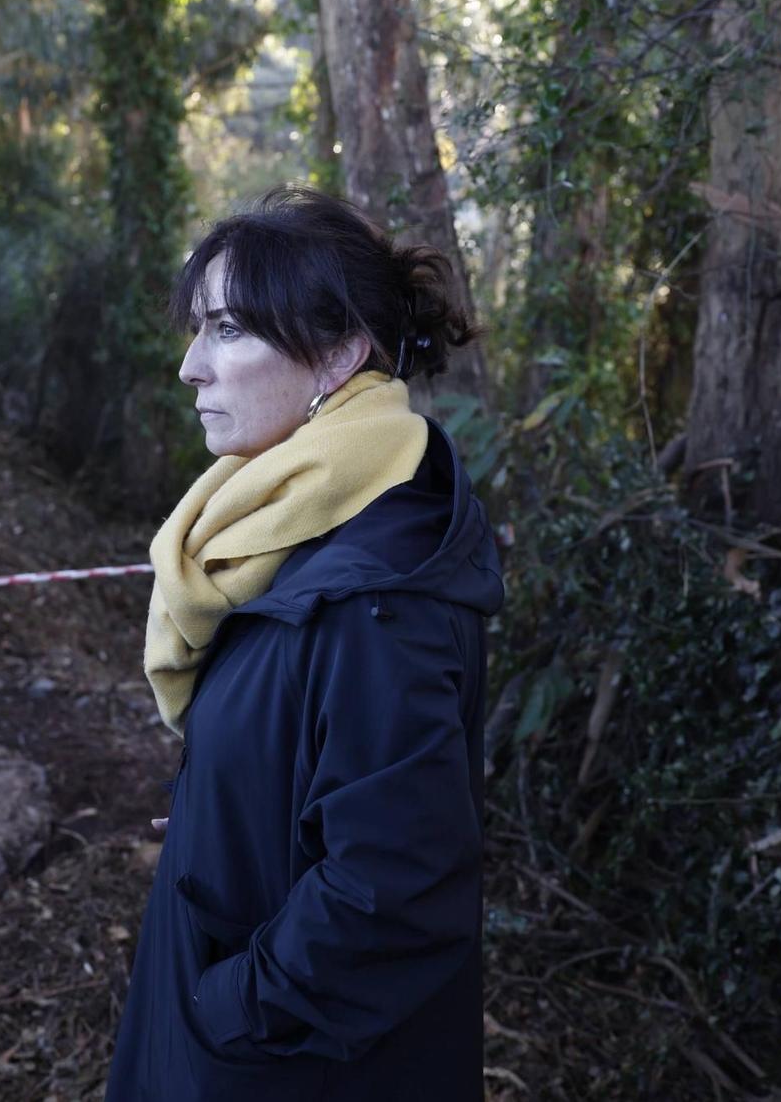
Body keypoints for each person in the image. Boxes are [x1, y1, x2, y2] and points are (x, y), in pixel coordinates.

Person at [105, 186, 504, 1102]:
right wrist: (228, 814)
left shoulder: (374, 596)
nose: (190, 368)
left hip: (284, 1064)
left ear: (337, 351)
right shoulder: (288, 533)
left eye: (229, 330)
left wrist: (226, 1018)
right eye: (197, 329)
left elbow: (395, 888)